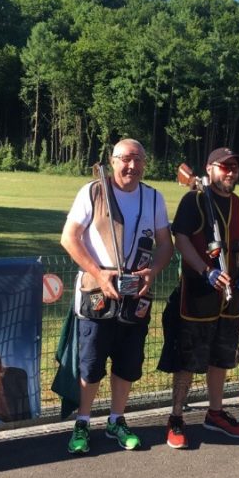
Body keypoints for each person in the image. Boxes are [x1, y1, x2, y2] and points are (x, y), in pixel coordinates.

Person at [60, 138, 174, 455]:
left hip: (136, 294)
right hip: (97, 293)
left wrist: (152, 272)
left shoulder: (154, 198)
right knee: (91, 364)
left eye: (138, 159)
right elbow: (68, 239)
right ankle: (82, 422)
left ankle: (116, 420)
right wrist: (98, 274)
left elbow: (166, 244)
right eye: (125, 158)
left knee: (127, 364)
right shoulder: (92, 192)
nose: (132, 166)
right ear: (112, 161)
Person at [158, 147, 239, 449]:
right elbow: (181, 240)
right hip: (197, 296)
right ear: (210, 168)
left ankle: (215, 413)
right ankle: (176, 417)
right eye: (225, 166)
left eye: (235, 167)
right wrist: (206, 271)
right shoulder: (195, 200)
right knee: (187, 361)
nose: (231, 172)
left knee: (222, 358)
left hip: (230, 299)